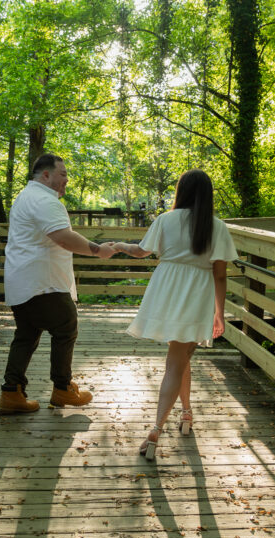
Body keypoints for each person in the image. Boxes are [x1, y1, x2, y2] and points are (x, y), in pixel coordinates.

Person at [111, 169, 238, 460]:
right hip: (196, 296)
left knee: (180, 358)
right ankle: (156, 429)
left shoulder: (166, 220)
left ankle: (186, 412)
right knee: (176, 361)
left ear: (181, 192)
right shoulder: (216, 227)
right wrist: (220, 312)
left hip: (167, 292)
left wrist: (119, 246)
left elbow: (142, 252)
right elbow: (220, 276)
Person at [0, 153, 117, 414]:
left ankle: (11, 393)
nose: (66, 180)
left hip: (24, 280)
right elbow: (63, 237)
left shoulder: (26, 197)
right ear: (46, 175)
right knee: (66, 326)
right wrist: (98, 250)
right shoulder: (43, 200)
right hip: (42, 282)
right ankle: (62, 388)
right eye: (62, 174)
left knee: (27, 335)